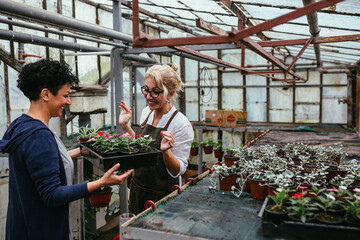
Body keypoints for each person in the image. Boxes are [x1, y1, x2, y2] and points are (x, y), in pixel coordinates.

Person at [0, 59, 133, 240]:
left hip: (23, 226)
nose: (69, 101)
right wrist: (102, 182)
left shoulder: (21, 125)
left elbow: (40, 164)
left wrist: (81, 150)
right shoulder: (39, 135)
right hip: (41, 231)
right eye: (65, 95)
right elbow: (52, 194)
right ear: (46, 94)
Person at [119, 64, 194, 214]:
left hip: (162, 196)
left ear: (170, 94)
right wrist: (125, 126)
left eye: (156, 92)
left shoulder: (181, 124)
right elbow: (141, 147)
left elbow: (178, 170)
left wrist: (166, 153)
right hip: (138, 188)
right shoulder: (147, 112)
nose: (148, 96)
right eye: (146, 89)